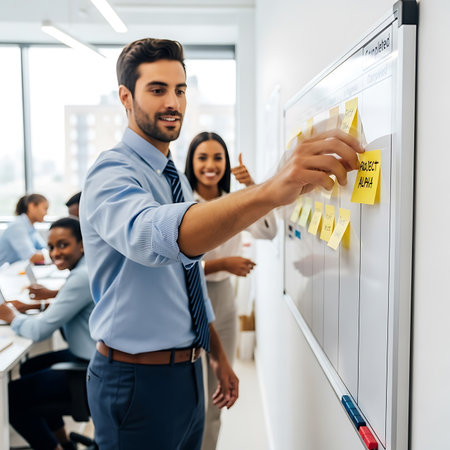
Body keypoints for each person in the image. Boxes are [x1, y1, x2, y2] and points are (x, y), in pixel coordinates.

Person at [79, 37, 363, 450]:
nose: (173, 101)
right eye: (157, 90)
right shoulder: (111, 172)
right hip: (136, 380)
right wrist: (269, 190)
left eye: (180, 89)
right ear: (126, 96)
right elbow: (153, 238)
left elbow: (185, 280)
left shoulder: (167, 174)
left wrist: (215, 355)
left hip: (188, 370)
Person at [185, 131, 276, 450]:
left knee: (218, 395)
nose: (211, 165)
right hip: (188, 301)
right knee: (191, 397)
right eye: (202, 157)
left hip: (224, 300)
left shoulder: (234, 202)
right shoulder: (181, 204)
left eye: (217, 157)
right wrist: (222, 264)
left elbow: (268, 230)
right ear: (191, 162)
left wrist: (252, 188)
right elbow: (176, 268)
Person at [0, 217, 95, 450]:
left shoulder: (81, 277)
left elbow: (41, 330)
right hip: (86, 355)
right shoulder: (85, 268)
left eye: (63, 245)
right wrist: (34, 307)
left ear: (82, 244)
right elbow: (67, 305)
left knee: (11, 400)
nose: (54, 253)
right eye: (51, 247)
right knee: (28, 367)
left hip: (89, 369)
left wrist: (10, 316)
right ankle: (64, 442)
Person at [0, 193, 48, 266]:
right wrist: (57, 254)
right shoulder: (17, 227)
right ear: (31, 207)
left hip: (18, 270)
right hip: (5, 272)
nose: (46, 213)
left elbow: (44, 247)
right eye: (45, 209)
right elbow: (31, 256)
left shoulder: (30, 227)